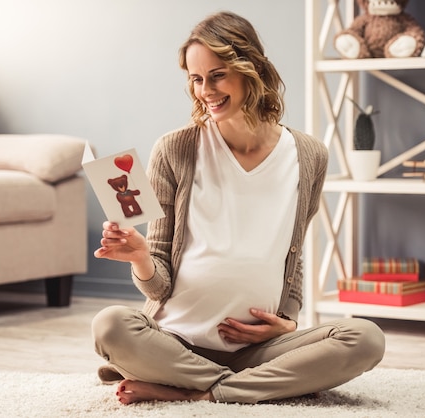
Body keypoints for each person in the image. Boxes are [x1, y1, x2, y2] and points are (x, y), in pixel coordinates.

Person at [91, 10, 385, 405]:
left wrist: (289, 321)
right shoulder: (175, 149)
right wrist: (141, 257)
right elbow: (158, 279)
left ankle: (197, 392)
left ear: (252, 70)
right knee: (110, 325)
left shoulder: (309, 154)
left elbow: (292, 256)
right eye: (196, 79)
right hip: (175, 341)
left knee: (365, 338)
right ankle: (251, 386)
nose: (205, 90)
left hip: (257, 350)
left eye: (217, 75)